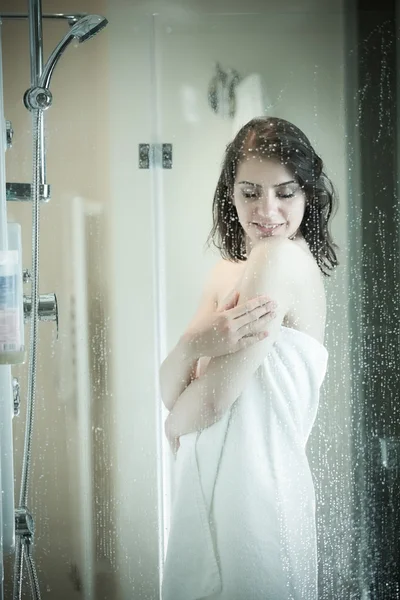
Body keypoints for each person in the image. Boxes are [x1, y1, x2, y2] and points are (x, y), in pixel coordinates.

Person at [159, 116, 339, 600]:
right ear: (230, 194)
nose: (268, 211)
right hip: (223, 490)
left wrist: (175, 421)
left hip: (257, 497)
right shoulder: (225, 271)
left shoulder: (278, 258)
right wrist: (194, 346)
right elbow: (173, 387)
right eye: (250, 192)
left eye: (285, 192)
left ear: (307, 194)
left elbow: (208, 401)